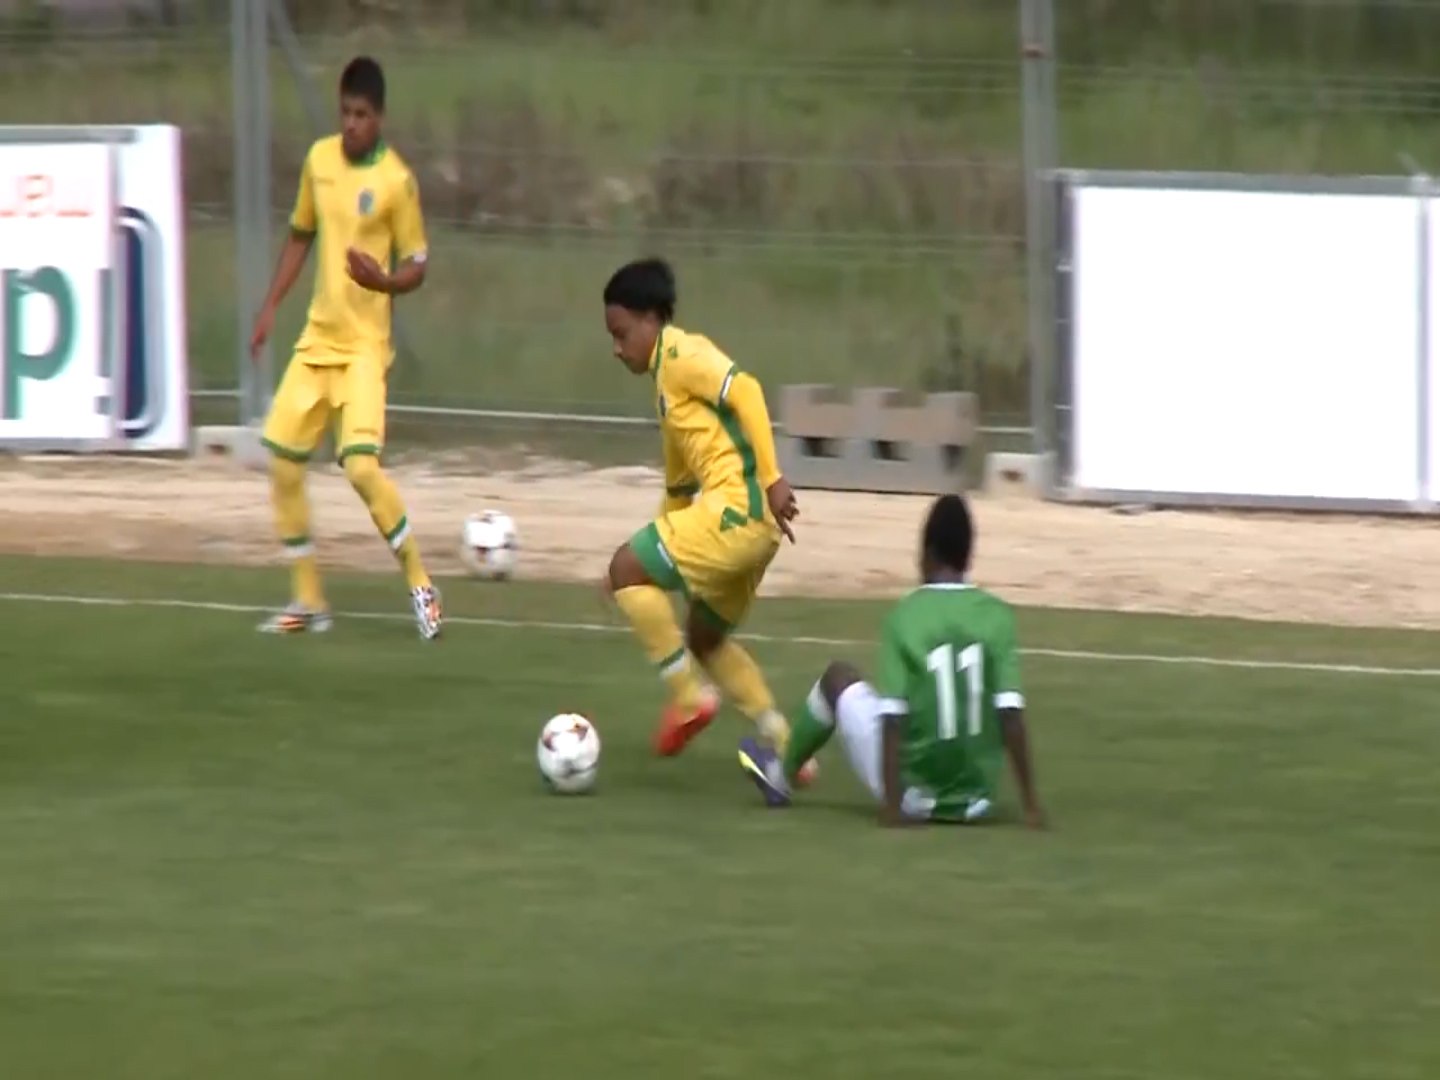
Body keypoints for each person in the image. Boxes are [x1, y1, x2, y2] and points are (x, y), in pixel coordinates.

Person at [248, 56, 442, 640]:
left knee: (360, 466)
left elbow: (417, 266)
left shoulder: (397, 182)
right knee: (282, 460)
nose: (352, 123)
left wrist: (382, 283)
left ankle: (420, 579)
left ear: (380, 117)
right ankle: (309, 601)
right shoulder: (319, 160)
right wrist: (270, 305)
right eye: (345, 113)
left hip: (362, 348)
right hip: (317, 340)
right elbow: (301, 236)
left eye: (362, 115)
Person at [601, 257, 814, 773]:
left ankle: (688, 699)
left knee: (627, 568)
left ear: (652, 319)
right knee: (704, 636)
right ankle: (787, 747)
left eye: (622, 332)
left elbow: (747, 389)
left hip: (740, 509)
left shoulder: (680, 353)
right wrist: (635, 574)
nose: (617, 347)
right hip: (755, 528)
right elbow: (678, 493)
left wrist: (772, 477)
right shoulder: (666, 389)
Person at [738, 494, 1045, 828]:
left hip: (914, 797)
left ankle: (778, 778)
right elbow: (1010, 714)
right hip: (978, 800)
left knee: (838, 678)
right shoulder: (997, 616)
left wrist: (892, 806)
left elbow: (893, 719)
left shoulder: (906, 616)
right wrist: (1030, 804)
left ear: (926, 553)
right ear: (968, 555)